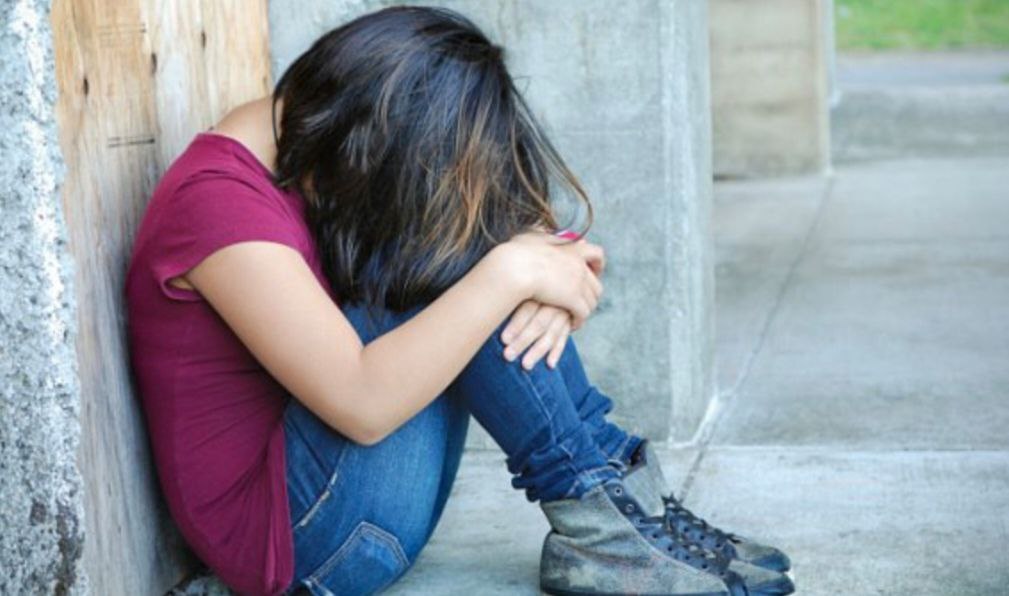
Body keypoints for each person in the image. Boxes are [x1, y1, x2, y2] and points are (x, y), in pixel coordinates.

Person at [124, 6, 792, 596]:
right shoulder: (219, 207)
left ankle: (614, 502)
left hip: (349, 503)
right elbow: (360, 403)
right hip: (303, 545)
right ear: (370, 140)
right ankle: (601, 523)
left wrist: (538, 273)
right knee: (459, 263)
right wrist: (507, 274)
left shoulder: (302, 149)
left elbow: (513, 239)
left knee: (462, 254)